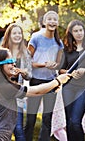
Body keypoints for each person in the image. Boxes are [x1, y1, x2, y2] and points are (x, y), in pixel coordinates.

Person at [0, 47, 71, 140]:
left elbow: (35, 93)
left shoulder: (0, 85)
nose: (14, 64)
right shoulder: (3, 87)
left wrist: (51, 89)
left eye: (13, 60)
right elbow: (35, 91)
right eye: (9, 61)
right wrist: (57, 81)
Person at [25, 10, 64, 141]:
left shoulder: (59, 42)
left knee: (47, 117)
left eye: (55, 19)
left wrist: (55, 65)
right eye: (49, 19)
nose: (52, 22)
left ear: (57, 23)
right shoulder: (36, 38)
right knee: (31, 117)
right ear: (44, 22)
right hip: (36, 80)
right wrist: (43, 65)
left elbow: (59, 64)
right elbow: (27, 61)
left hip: (51, 82)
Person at [58, 20, 85, 141]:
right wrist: (70, 73)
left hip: (83, 88)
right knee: (69, 121)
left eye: (81, 30)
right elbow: (61, 70)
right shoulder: (67, 49)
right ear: (71, 33)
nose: (79, 33)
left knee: (75, 121)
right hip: (68, 87)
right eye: (75, 31)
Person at [1, 23, 32, 141]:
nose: (17, 35)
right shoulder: (2, 52)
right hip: (3, 95)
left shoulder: (26, 53)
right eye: (14, 33)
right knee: (3, 129)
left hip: (17, 95)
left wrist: (23, 72)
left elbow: (30, 75)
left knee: (18, 128)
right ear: (9, 35)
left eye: (19, 33)